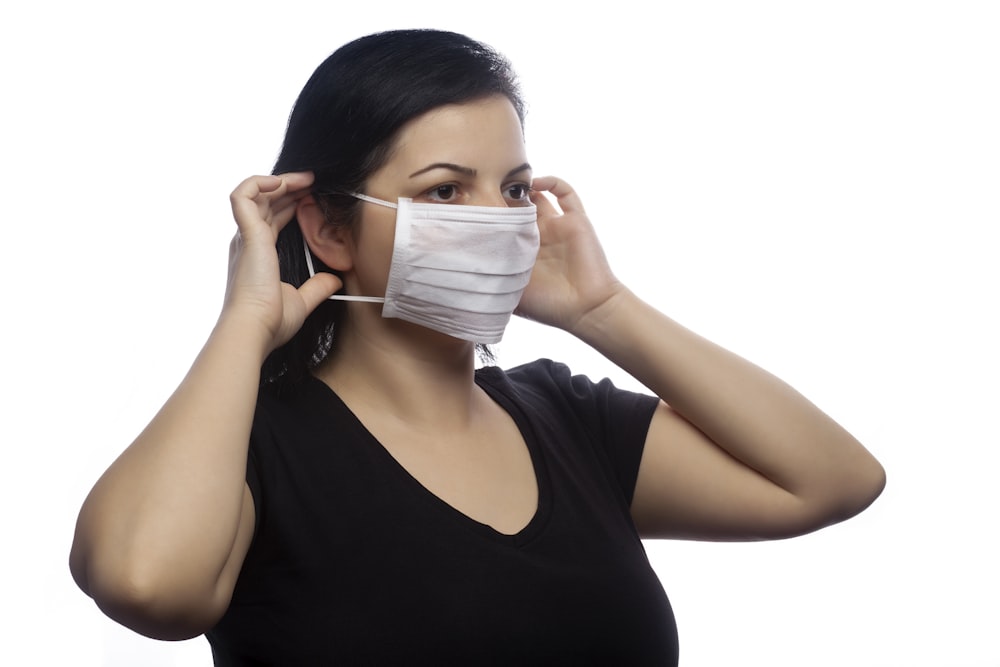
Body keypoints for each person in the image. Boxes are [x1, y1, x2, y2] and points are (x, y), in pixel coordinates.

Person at [69, 29, 885, 665]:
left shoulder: (570, 420)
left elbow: (833, 481)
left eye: (516, 188)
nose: (498, 218)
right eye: (446, 190)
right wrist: (242, 326)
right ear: (330, 227)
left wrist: (602, 308)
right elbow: (146, 584)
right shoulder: (249, 449)